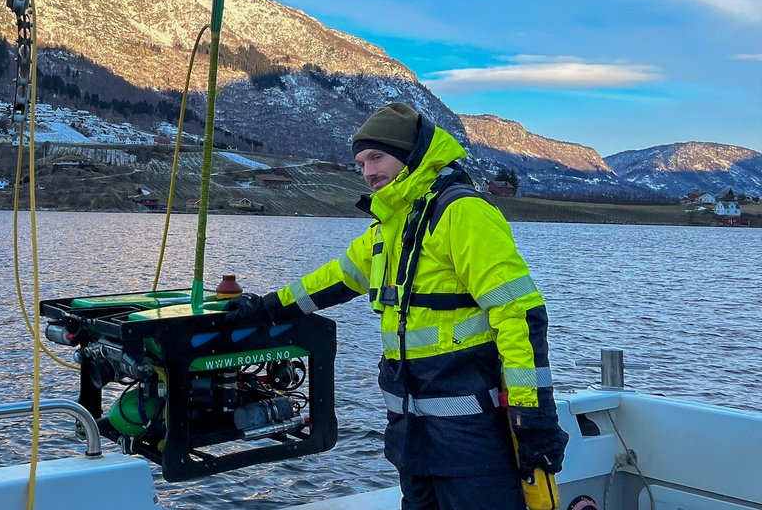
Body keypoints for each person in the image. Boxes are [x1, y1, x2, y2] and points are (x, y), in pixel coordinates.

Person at [228, 102, 568, 509]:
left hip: (474, 440)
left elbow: (519, 316)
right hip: (413, 439)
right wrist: (268, 307)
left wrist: (533, 420)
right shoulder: (388, 227)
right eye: (360, 163)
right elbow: (334, 278)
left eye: (377, 157)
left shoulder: (463, 213)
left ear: (411, 157)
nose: (368, 172)